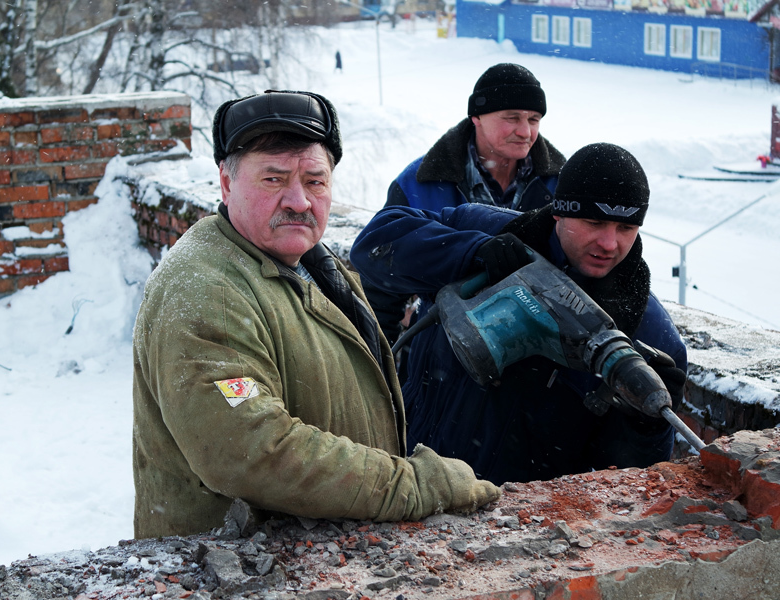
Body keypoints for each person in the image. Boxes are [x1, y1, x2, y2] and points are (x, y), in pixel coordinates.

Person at [132, 90, 499, 539]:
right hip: (242, 577)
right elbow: (249, 450)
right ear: (226, 185)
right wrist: (414, 485)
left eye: (315, 181)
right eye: (273, 179)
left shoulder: (306, 263)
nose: (299, 201)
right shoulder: (207, 288)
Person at [350, 143, 688, 486]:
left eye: (626, 228)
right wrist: (468, 252)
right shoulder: (487, 231)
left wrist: (647, 426)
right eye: (594, 222)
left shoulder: (649, 334)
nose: (609, 243)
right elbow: (373, 246)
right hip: (405, 468)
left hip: (511, 518)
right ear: (559, 211)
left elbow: (633, 484)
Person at [368, 63, 566, 354]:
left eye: (534, 119)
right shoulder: (419, 183)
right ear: (476, 117)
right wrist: (384, 361)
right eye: (512, 117)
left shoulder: (561, 187)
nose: (525, 131)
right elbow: (382, 276)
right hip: (439, 355)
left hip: (537, 357)